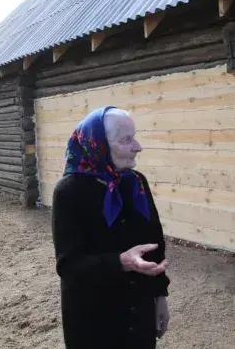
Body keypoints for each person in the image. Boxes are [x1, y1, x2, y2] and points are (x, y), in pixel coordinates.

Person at [51, 106, 171, 349]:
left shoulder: (136, 183)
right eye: (126, 139)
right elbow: (69, 266)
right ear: (98, 144)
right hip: (94, 322)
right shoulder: (69, 191)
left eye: (134, 137)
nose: (138, 146)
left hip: (139, 313)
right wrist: (121, 262)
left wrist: (160, 296)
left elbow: (155, 243)